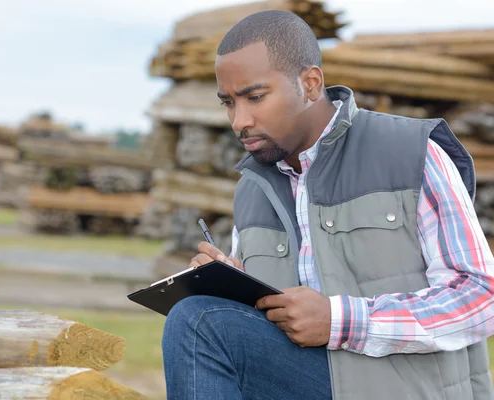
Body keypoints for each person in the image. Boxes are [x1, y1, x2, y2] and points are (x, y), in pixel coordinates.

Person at [161, 9, 494, 400]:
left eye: (254, 97)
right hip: (312, 380)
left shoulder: (411, 154)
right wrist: (228, 284)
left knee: (197, 321)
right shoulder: (252, 189)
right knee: (201, 315)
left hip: (406, 388)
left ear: (310, 84)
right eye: (228, 103)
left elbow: (481, 295)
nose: (239, 120)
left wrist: (342, 320)